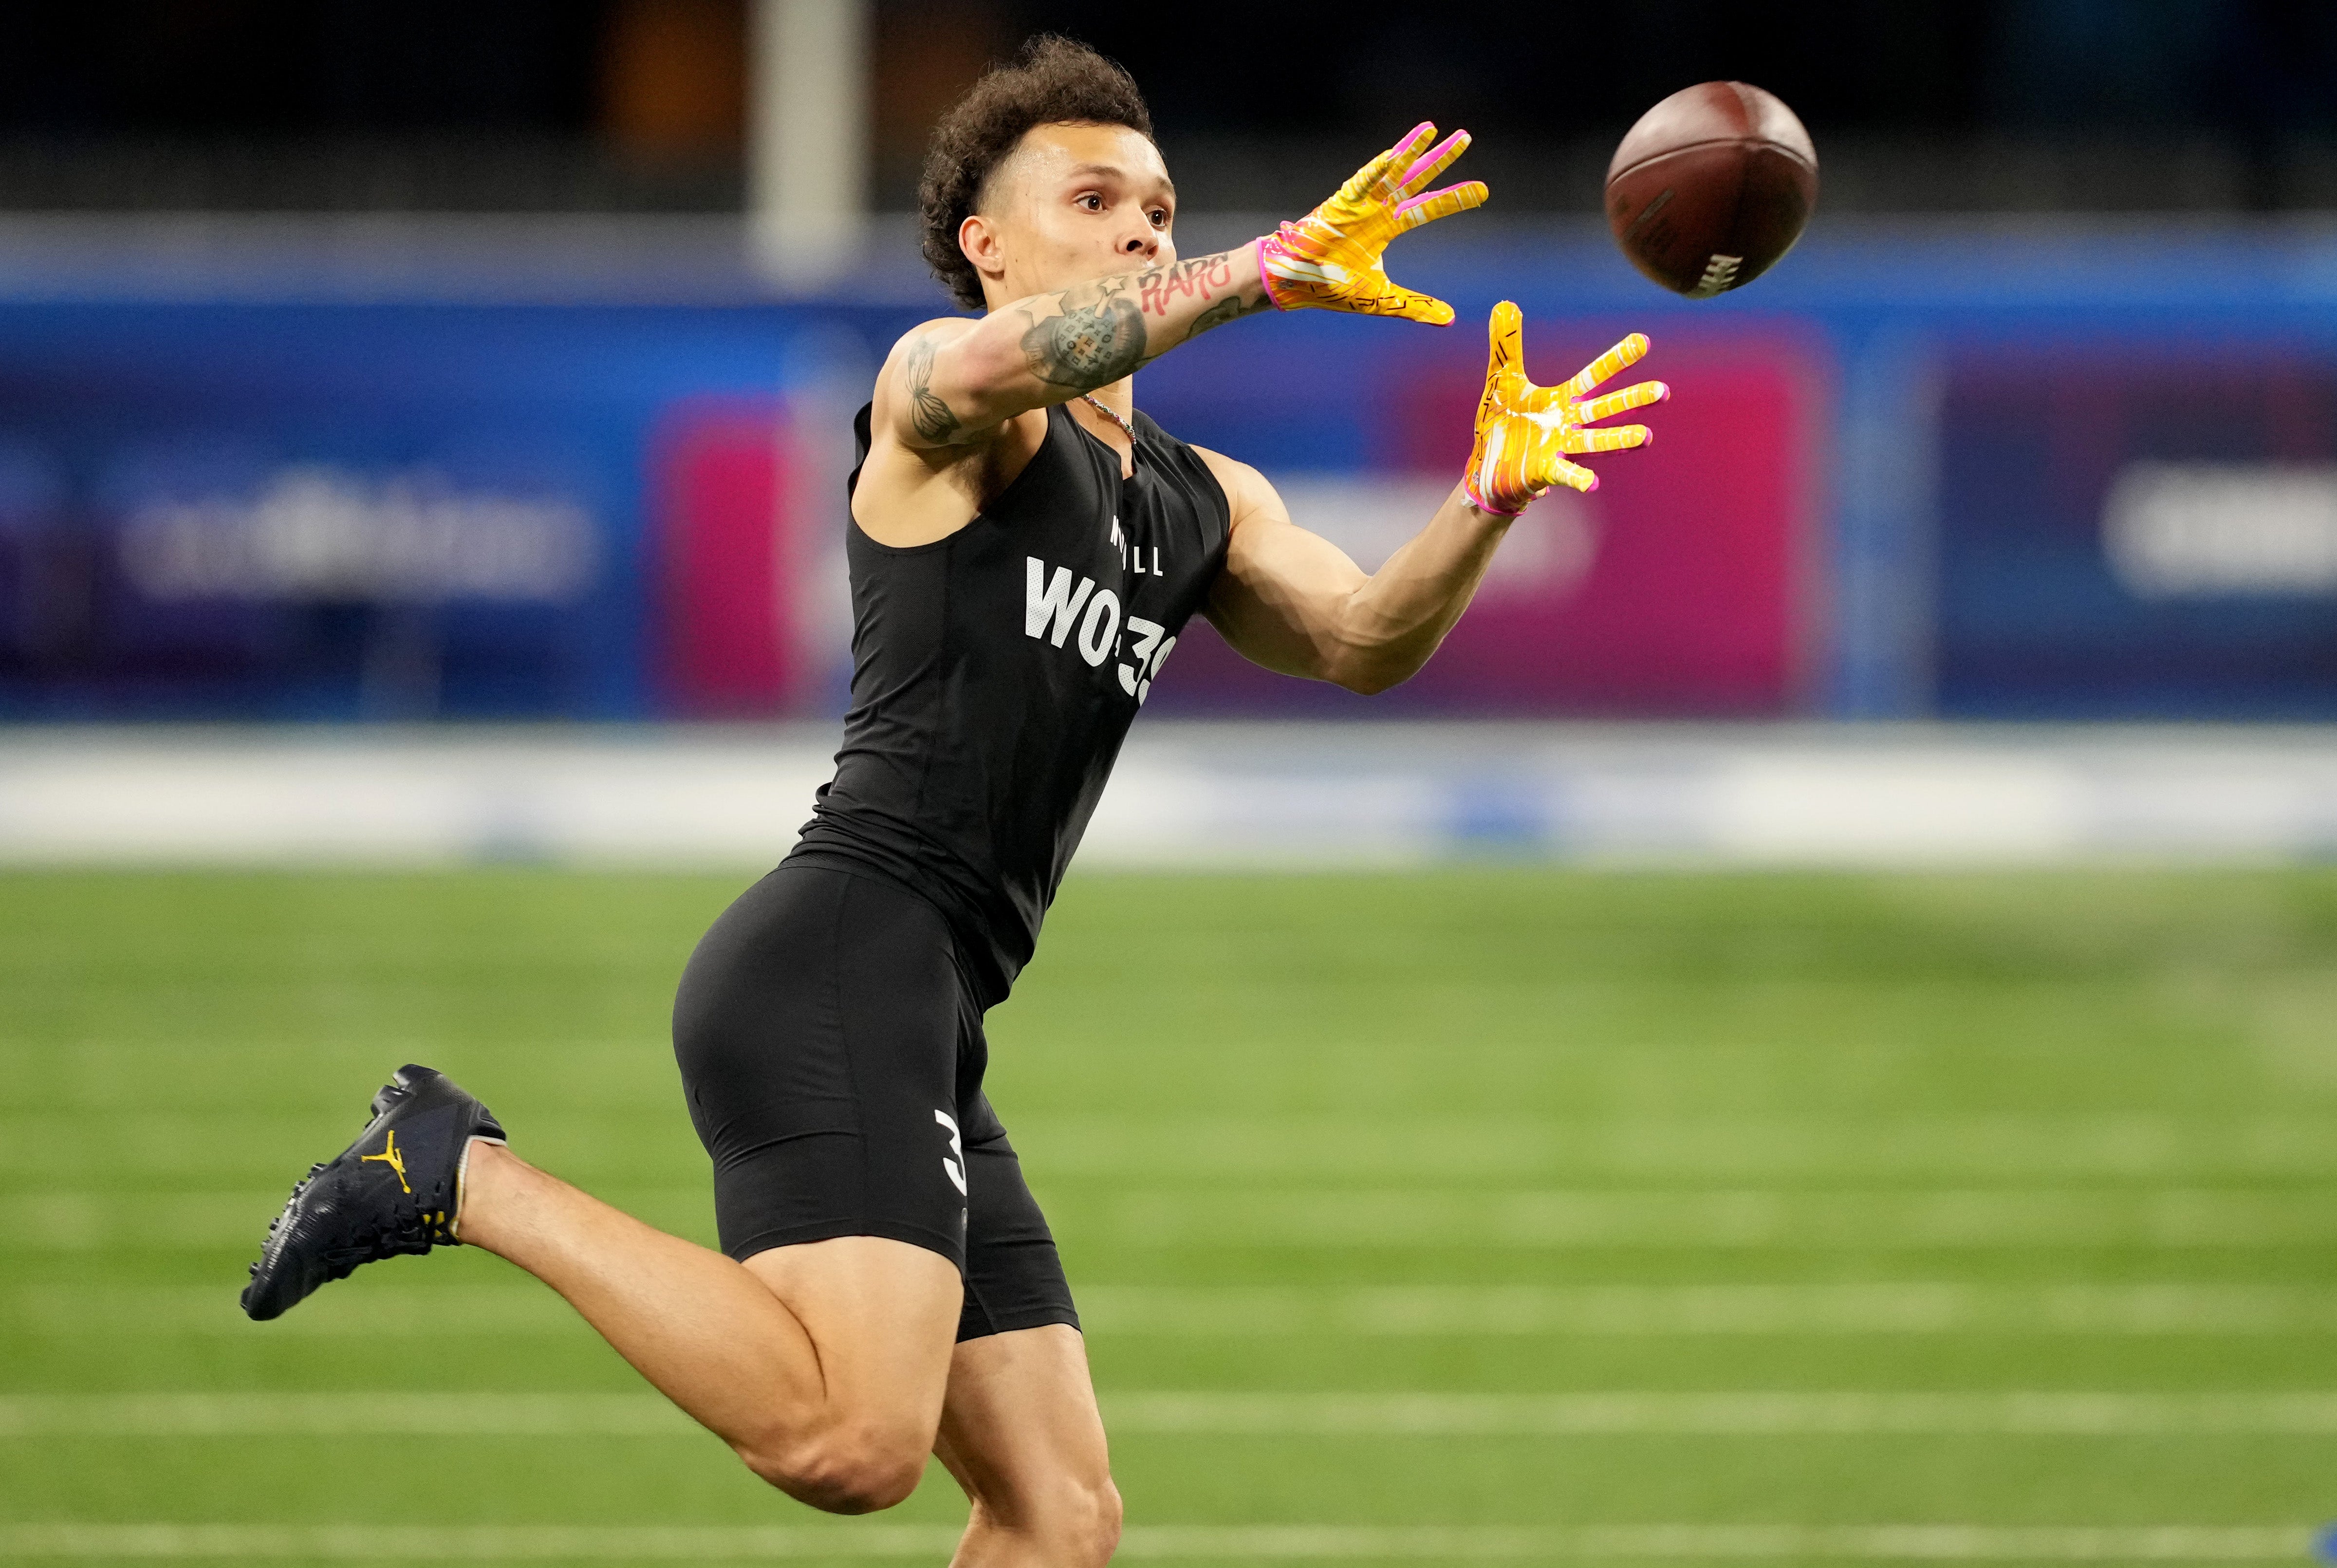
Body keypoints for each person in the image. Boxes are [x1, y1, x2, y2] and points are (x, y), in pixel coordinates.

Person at [241, 34, 1667, 1568]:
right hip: (839, 958)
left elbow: (1363, 639)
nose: (1143, 229)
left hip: (933, 1017)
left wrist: (1484, 500)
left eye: (1160, 207)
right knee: (851, 1443)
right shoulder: (948, 390)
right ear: (987, 245)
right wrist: (1260, 271)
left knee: (1057, 1518)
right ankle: (463, 1173)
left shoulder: (1206, 498)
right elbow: (996, 367)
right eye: (1095, 199)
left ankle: (466, 1174)